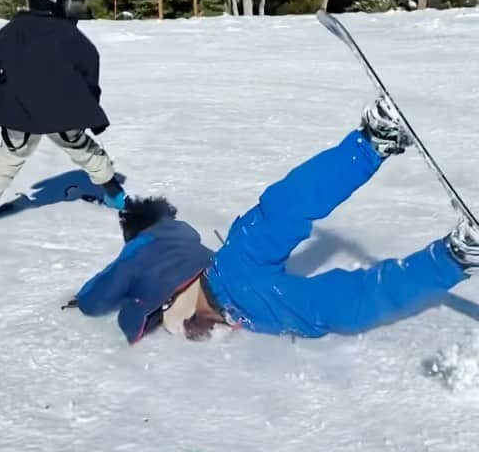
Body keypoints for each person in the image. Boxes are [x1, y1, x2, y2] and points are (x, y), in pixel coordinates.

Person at [69, 97, 479, 343]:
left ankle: (453, 258)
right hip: (233, 263)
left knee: (336, 302)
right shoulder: (181, 233)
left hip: (235, 298)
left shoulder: (142, 246)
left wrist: (82, 303)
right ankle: (371, 143)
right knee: (287, 205)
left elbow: (104, 290)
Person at [0, 0, 126, 228]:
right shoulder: (70, 34)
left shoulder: (11, 31)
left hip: (18, 112)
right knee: (83, 149)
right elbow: (90, 70)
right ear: (57, 1)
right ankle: (115, 196)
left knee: (8, 157)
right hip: (65, 112)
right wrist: (87, 103)